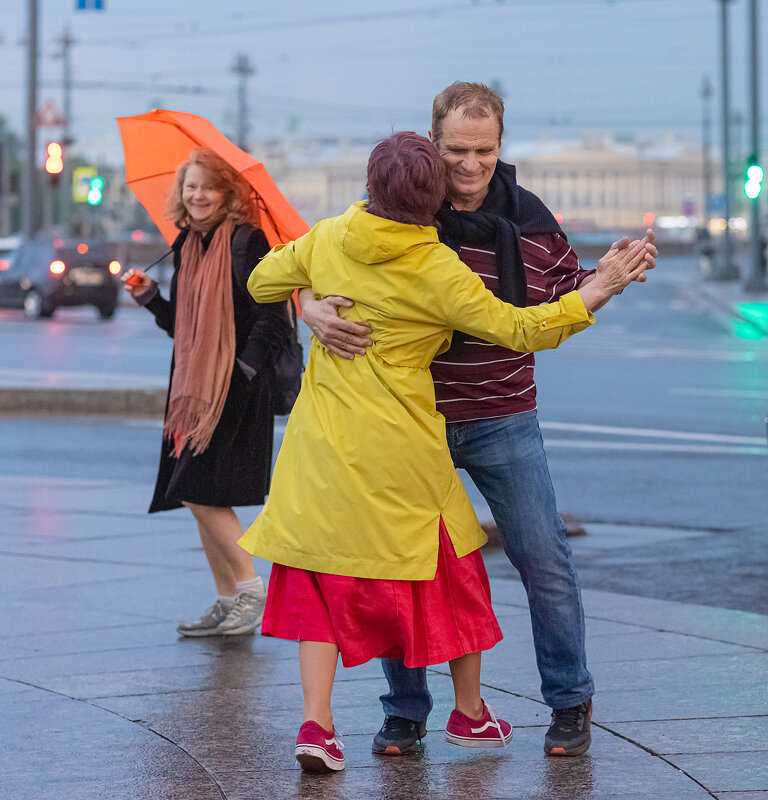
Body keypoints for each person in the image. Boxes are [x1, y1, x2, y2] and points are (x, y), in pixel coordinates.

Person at [238, 132, 652, 773]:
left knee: (320, 580)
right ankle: (468, 713)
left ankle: (321, 726)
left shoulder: (327, 237)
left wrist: (312, 298)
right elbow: (521, 329)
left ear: (370, 187)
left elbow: (263, 279)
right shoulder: (434, 268)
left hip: (322, 445)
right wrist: (600, 290)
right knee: (451, 571)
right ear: (433, 197)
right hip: (404, 440)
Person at [122, 147, 290, 638]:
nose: (196, 195)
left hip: (234, 388)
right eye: (190, 186)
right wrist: (151, 298)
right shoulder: (187, 245)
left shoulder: (249, 241)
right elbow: (186, 327)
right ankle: (226, 599)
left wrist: (240, 371)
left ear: (227, 193)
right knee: (200, 493)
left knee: (197, 491)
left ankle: (252, 590)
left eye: (207, 186)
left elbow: (273, 320)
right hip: (193, 389)